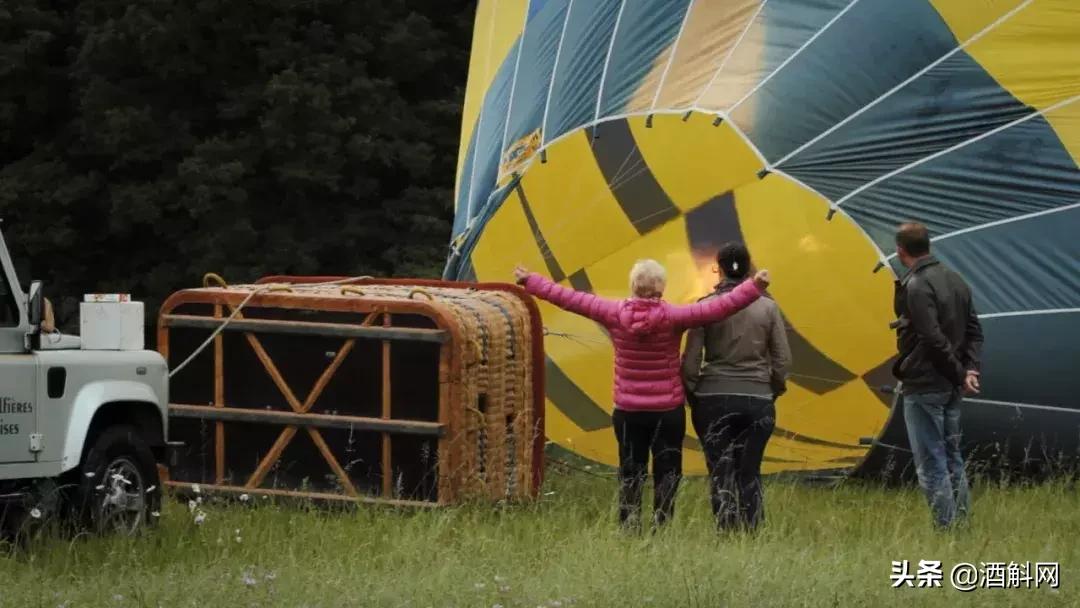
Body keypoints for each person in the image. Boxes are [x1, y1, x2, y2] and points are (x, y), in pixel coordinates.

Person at [513, 260, 770, 532]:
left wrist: (531, 281)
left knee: (630, 469)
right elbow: (718, 308)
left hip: (627, 410)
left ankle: (629, 525)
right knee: (668, 470)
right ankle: (662, 524)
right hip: (667, 411)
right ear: (661, 287)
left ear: (633, 285)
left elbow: (568, 299)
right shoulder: (675, 316)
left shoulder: (611, 312)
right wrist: (755, 287)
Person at [681, 242, 791, 532]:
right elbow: (782, 359)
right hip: (757, 398)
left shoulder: (705, 307)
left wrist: (692, 392)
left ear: (717, 268)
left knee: (720, 469)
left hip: (713, 398)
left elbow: (691, 360)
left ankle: (726, 529)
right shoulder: (768, 307)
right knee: (750, 469)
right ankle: (752, 529)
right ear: (748, 267)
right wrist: (773, 388)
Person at [892, 222, 983, 529]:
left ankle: (946, 529)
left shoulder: (917, 285)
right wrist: (969, 369)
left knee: (932, 462)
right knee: (952, 457)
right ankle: (963, 524)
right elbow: (974, 331)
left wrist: (960, 373)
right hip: (950, 386)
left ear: (900, 251)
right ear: (928, 245)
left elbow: (932, 338)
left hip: (926, 383)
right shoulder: (956, 279)